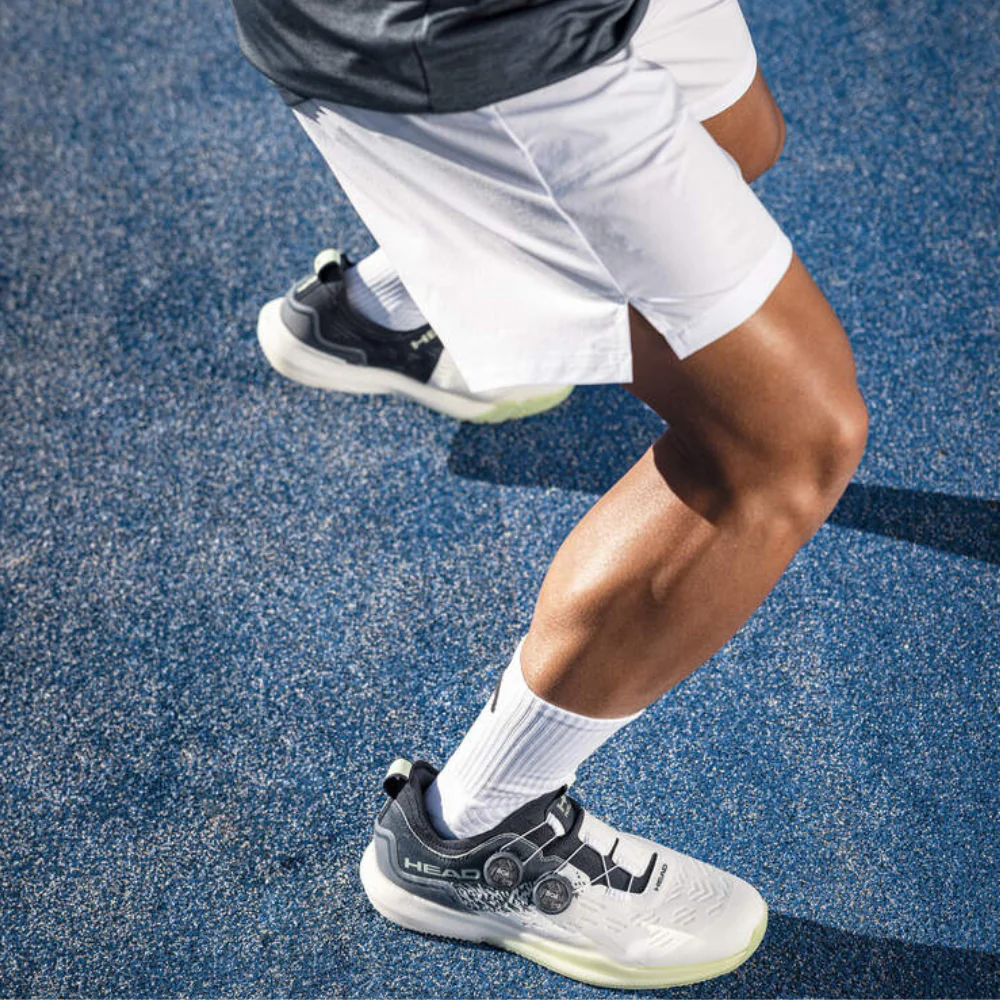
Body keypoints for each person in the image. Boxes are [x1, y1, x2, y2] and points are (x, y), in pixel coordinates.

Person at [230, 0, 869, 987]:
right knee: (784, 445)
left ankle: (403, 307)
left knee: (735, 139)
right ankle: (473, 833)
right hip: (481, 36)